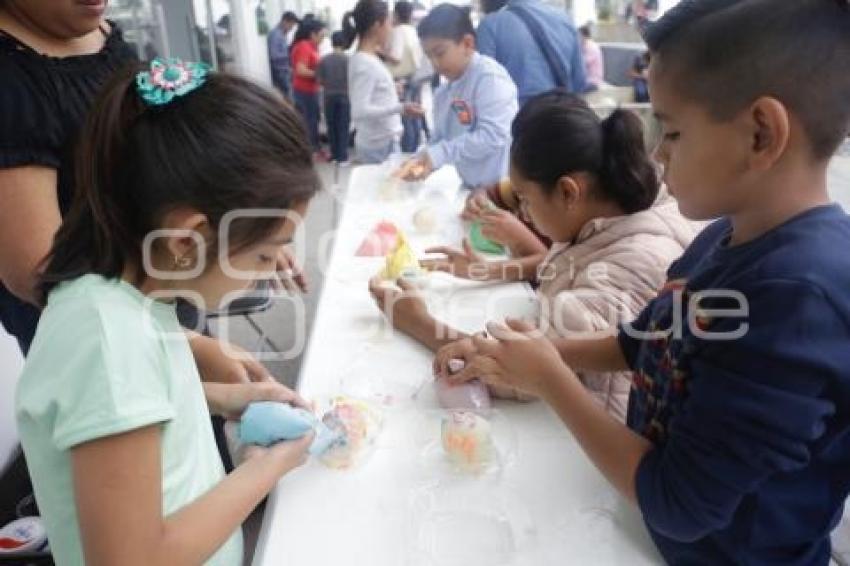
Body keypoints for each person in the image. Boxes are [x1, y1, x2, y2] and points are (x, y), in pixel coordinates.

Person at [441, 1, 850, 563]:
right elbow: (641, 342)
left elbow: (679, 501)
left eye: (674, 131)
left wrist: (552, 379)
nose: (657, 154)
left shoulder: (798, 302)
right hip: (647, 527)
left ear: (761, 134)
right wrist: (536, 353)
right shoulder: (725, 236)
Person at [16, 58, 323, 565]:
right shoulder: (107, 339)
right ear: (187, 239)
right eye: (264, 255)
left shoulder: (119, 301)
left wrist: (228, 399)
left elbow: (126, 417)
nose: (267, 273)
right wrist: (265, 467)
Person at [373, 91, 695, 416]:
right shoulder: (614, 210)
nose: (523, 213)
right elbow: (570, 266)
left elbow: (514, 369)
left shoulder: (631, 264)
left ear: (568, 191)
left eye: (525, 199)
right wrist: (486, 270)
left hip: (588, 443)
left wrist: (416, 321)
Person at [399, 5, 518, 191]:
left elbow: (493, 135)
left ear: (467, 44)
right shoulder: (444, 92)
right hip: (469, 186)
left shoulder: (489, 78)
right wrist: (422, 159)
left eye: (440, 53)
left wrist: (438, 154)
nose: (435, 64)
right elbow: (440, 138)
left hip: (502, 188)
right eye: (429, 56)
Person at [343, 0, 424, 164]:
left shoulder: (367, 58)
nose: (391, 28)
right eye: (388, 22)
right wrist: (400, 108)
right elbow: (359, 110)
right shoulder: (365, 63)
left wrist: (390, 88)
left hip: (381, 142)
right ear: (376, 25)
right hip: (379, 147)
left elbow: (370, 93)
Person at [476, 0, 587, 106]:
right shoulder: (565, 20)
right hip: (561, 116)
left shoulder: (490, 25)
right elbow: (579, 82)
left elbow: (485, 85)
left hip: (516, 119)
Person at [385, 1, 425, 152]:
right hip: (415, 76)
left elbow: (396, 57)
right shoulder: (412, 30)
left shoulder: (398, 31)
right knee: (414, 116)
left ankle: (407, 150)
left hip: (401, 79)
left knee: (406, 116)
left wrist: (379, 51)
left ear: (395, 14)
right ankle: (415, 148)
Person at [291, 18, 327, 158]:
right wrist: (319, 75)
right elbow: (300, 70)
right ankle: (312, 150)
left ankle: (315, 148)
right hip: (304, 91)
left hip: (311, 90)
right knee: (309, 121)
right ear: (312, 34)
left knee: (313, 119)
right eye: (321, 36)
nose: (323, 39)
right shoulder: (304, 46)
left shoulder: (312, 47)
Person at [318, 31, 351, 164]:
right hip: (345, 95)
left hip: (329, 96)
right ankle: (343, 157)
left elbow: (319, 80)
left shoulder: (324, 60)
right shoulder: (349, 60)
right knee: (343, 126)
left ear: (332, 43)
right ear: (344, 43)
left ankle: (334, 155)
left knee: (331, 126)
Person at [267, 11, 299, 99]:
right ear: (284, 22)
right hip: (280, 72)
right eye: (291, 25)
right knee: (287, 98)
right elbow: (274, 55)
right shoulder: (276, 35)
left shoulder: (281, 34)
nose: (291, 29)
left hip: (284, 71)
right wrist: (289, 55)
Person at [579, 24, 604, 92]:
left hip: (593, 82)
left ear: (584, 35)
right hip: (586, 80)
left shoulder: (591, 47)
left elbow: (582, 63)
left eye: (578, 35)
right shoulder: (583, 46)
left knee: (572, 89)